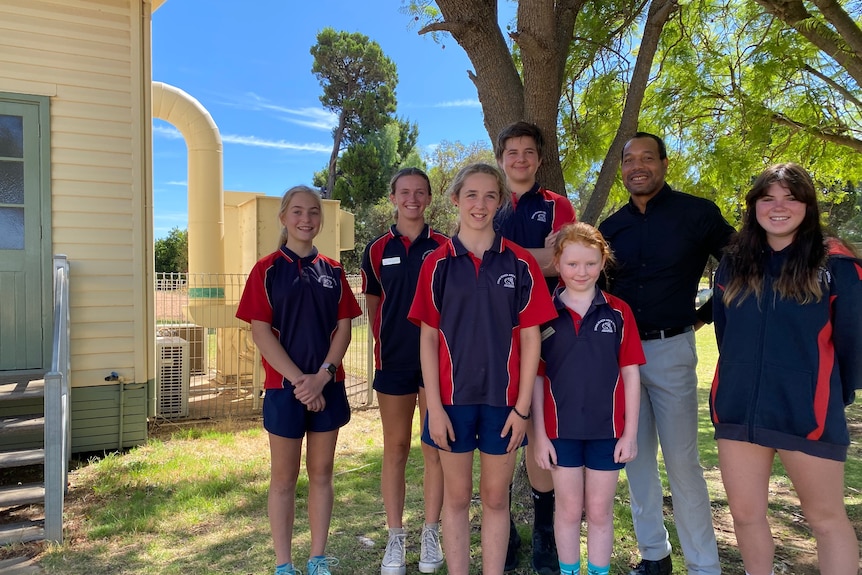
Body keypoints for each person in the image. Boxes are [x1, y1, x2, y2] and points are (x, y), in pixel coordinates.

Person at [711, 163, 862, 575]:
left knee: (826, 521)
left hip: (807, 412)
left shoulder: (837, 264)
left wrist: (830, 393)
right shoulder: (733, 263)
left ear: (808, 205)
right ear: (754, 206)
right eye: (768, 198)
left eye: (791, 197)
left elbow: (852, 342)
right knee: (745, 515)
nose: (779, 207)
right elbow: (726, 334)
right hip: (739, 409)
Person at [408, 163, 557, 575]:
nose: (480, 204)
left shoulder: (521, 263)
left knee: (495, 500)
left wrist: (523, 409)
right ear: (455, 200)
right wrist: (433, 409)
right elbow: (427, 339)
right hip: (451, 405)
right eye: (471, 195)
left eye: (490, 195)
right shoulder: (436, 264)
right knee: (456, 500)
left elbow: (531, 340)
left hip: (505, 404)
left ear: (501, 203)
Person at [598, 132, 734, 575]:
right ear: (621, 169)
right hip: (622, 359)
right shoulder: (611, 228)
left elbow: (742, 266)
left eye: (647, 158)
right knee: (634, 461)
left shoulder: (697, 214)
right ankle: (654, 557)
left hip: (672, 350)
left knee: (682, 463)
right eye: (629, 160)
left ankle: (704, 566)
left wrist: (704, 316)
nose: (638, 166)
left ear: (664, 163)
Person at [236, 186, 362, 575]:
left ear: (321, 220)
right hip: (283, 391)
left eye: (313, 212)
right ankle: (283, 564)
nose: (306, 219)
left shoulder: (334, 271)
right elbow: (260, 333)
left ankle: (318, 558)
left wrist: (322, 378)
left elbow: (343, 330)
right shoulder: (266, 269)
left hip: (327, 386)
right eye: (297, 212)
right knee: (283, 478)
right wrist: (300, 384)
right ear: (284, 217)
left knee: (322, 474)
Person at [531, 222, 644, 575]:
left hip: (607, 432)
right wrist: (539, 436)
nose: (582, 272)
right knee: (566, 509)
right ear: (557, 263)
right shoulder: (543, 313)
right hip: (559, 431)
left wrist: (629, 434)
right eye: (573, 264)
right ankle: (568, 571)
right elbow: (535, 378)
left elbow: (630, 373)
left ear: (603, 262)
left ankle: (598, 571)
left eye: (591, 263)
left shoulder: (619, 312)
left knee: (598, 511)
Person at [493, 121, 577, 575]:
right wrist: (536, 258)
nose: (520, 159)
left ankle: (544, 530)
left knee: (538, 428)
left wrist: (507, 256)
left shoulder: (557, 205)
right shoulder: (490, 203)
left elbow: (560, 260)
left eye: (529, 152)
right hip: (494, 337)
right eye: (512, 152)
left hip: (546, 334)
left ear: (539, 160)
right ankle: (501, 528)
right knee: (501, 430)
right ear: (501, 157)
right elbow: (536, 261)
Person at [361, 168, 448, 575]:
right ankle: (395, 539)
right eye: (404, 192)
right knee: (395, 450)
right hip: (393, 361)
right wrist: (386, 340)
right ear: (393, 197)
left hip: (437, 364)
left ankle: (431, 534)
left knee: (435, 450)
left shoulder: (447, 247)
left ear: (429, 198)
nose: (412, 198)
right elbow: (374, 307)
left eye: (420, 192)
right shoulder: (376, 249)